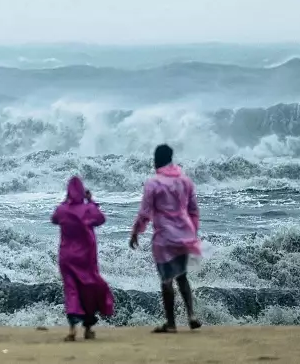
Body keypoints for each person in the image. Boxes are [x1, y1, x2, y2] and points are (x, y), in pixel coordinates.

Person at [129, 144, 203, 333]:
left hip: (164, 237)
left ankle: (171, 324)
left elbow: (145, 213)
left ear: (156, 160)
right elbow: (193, 210)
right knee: (183, 276)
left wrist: (136, 232)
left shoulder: (153, 183)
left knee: (166, 279)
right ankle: (191, 316)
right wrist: (192, 233)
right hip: (185, 234)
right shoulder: (185, 181)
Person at [51, 175, 115, 341]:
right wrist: (91, 201)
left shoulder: (63, 210)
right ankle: (88, 329)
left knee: (71, 290)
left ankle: (72, 329)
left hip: (67, 257)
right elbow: (101, 219)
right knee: (88, 290)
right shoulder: (88, 210)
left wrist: (66, 202)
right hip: (86, 258)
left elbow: (54, 219)